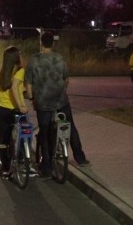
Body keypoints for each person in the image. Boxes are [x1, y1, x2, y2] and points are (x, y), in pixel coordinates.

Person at [25, 30, 90, 179]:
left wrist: (31, 98)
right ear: (53, 43)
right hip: (61, 101)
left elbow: (28, 83)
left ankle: (46, 168)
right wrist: (61, 90)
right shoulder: (60, 59)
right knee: (71, 126)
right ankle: (80, 158)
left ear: (41, 43)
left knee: (45, 132)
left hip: (42, 103)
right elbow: (66, 80)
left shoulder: (34, 60)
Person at [0, 45, 28, 179]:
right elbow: (14, 88)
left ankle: (5, 169)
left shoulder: (1, 71)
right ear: (17, 58)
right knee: (24, 133)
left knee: (3, 140)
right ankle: (23, 160)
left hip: (2, 109)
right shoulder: (19, 71)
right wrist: (21, 105)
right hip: (16, 109)